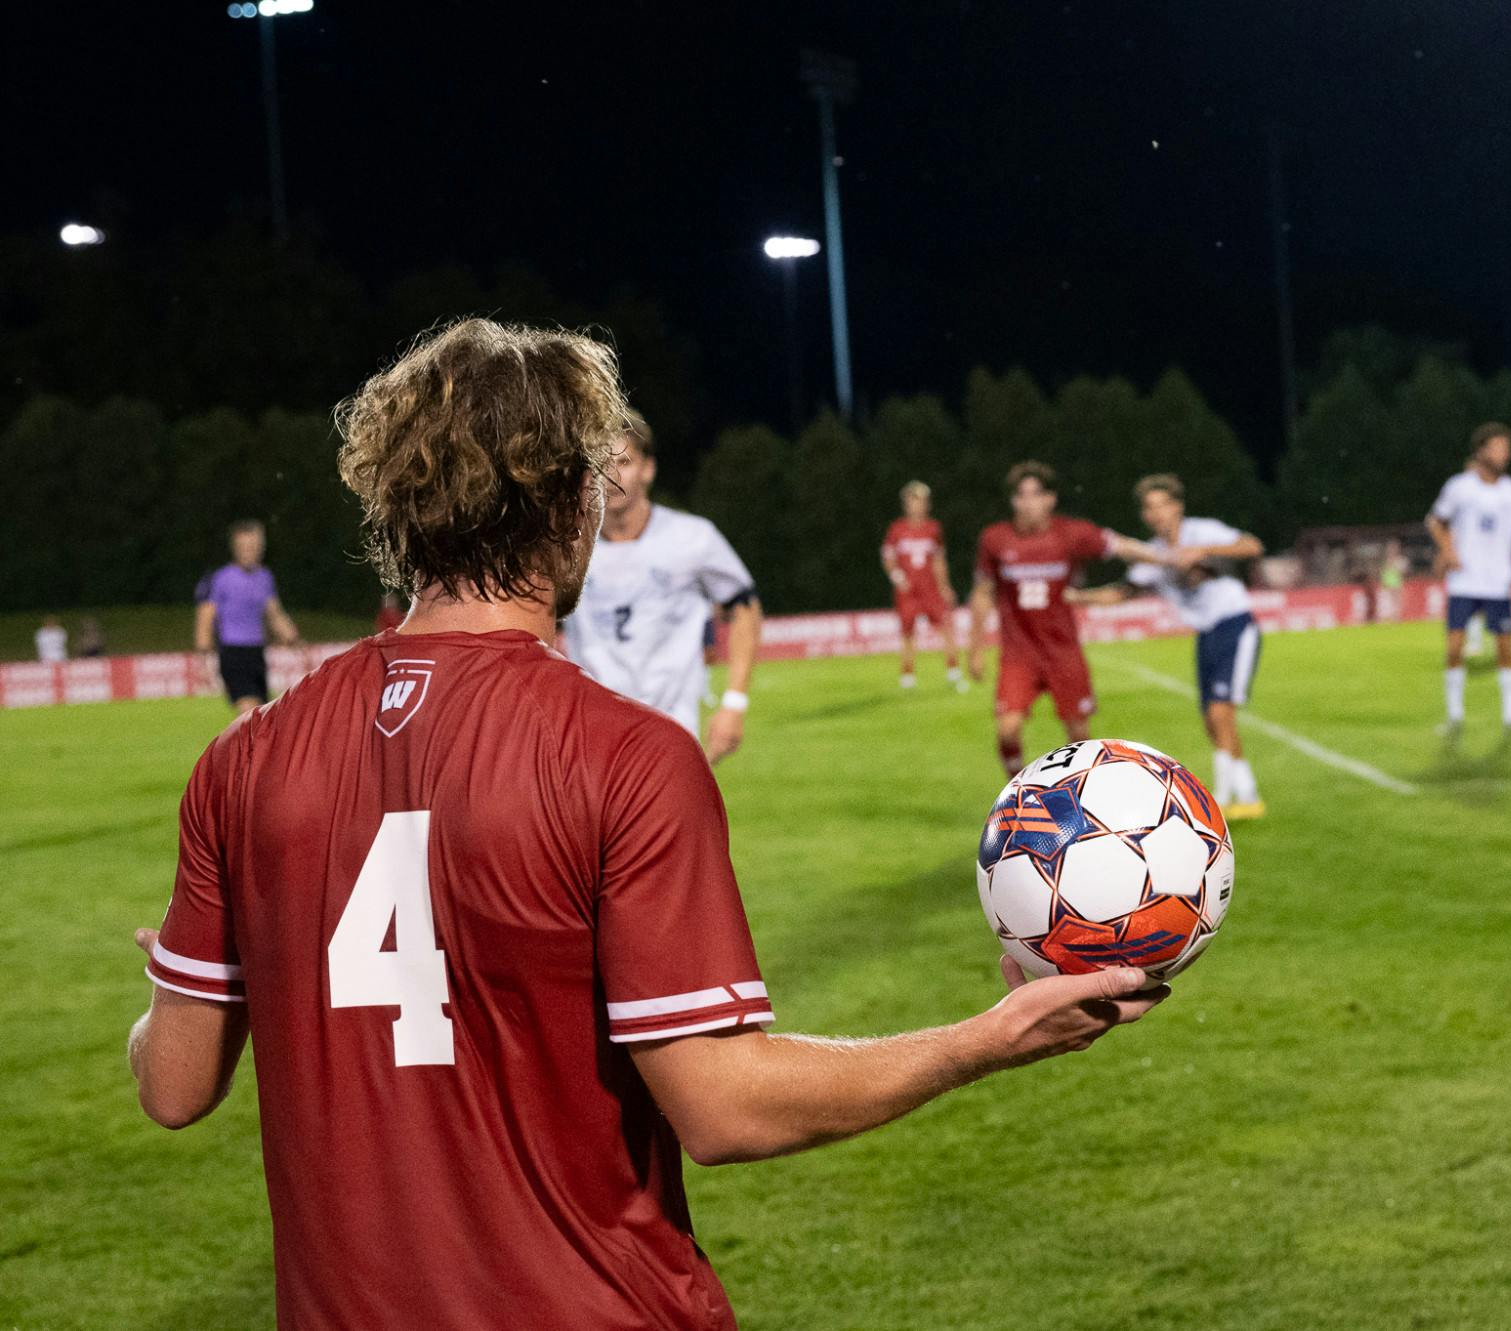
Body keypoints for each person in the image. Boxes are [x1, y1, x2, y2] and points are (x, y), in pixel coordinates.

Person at [125, 318, 1166, 1331]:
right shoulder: (624, 755)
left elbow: (171, 1083)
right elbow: (723, 1106)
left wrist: (180, 976)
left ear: (391, 503)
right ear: (577, 500)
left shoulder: (246, 757)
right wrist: (987, 1037)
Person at [563, 410, 763, 761]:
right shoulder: (565, 546)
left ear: (648, 469)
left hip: (673, 734)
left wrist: (734, 703)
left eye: (623, 462)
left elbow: (745, 606)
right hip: (591, 738)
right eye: (600, 464)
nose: (611, 476)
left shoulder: (692, 538)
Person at [1071, 474, 1268, 820]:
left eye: (1164, 504)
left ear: (1178, 507)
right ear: (1145, 516)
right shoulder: (1154, 555)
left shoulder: (1201, 531)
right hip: (1206, 633)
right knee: (1212, 719)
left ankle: (1220, 801)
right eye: (1151, 508)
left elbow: (1252, 545)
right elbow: (1122, 591)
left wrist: (1204, 551)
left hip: (1234, 624)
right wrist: (1074, 598)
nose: (1159, 513)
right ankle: (1248, 795)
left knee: (1221, 713)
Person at [967, 461, 1154, 775]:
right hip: (1019, 654)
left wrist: (1165, 557)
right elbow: (983, 592)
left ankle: (1087, 798)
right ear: (1013, 501)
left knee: (1079, 735)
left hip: (1063, 650)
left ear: (1050, 499)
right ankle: (1019, 794)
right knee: (1008, 729)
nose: (1028, 503)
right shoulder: (995, 539)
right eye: (1021, 496)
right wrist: (975, 649)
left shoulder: (1071, 533)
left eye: (1036, 495)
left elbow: (1120, 545)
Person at [1425, 422, 1511, 735]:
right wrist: (1448, 550)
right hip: (1464, 581)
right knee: (1453, 648)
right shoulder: (1459, 487)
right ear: (1481, 450)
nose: (1505, 454)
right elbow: (1435, 521)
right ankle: (1454, 717)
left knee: (1506, 649)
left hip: (1498, 583)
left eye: (1507, 448)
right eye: (1498, 447)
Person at [194, 519, 301, 716]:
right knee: (249, 712)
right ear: (235, 548)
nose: (249, 551)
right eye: (244, 547)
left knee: (263, 715)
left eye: (254, 546)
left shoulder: (264, 577)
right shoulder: (221, 578)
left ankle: (255, 747)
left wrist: (292, 637)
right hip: (233, 653)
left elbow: (274, 612)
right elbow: (206, 615)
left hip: (257, 654)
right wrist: (203, 654)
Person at [881, 480, 968, 692]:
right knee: (908, 632)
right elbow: (888, 557)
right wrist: (897, 577)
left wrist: (945, 586)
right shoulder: (897, 529)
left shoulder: (933, 529)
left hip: (930, 589)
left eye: (921, 501)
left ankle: (953, 671)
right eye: (912, 501)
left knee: (946, 627)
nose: (917, 505)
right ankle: (907, 674)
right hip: (908, 590)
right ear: (906, 504)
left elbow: (939, 560)